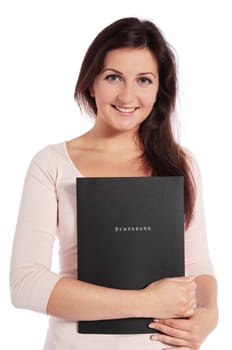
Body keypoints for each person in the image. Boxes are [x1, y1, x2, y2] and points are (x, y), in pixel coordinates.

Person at [10, 17, 218, 349]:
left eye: (144, 80)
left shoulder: (182, 164)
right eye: (113, 77)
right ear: (91, 83)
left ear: (159, 90)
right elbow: (25, 284)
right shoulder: (51, 164)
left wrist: (209, 316)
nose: (127, 95)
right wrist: (146, 301)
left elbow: (196, 265)